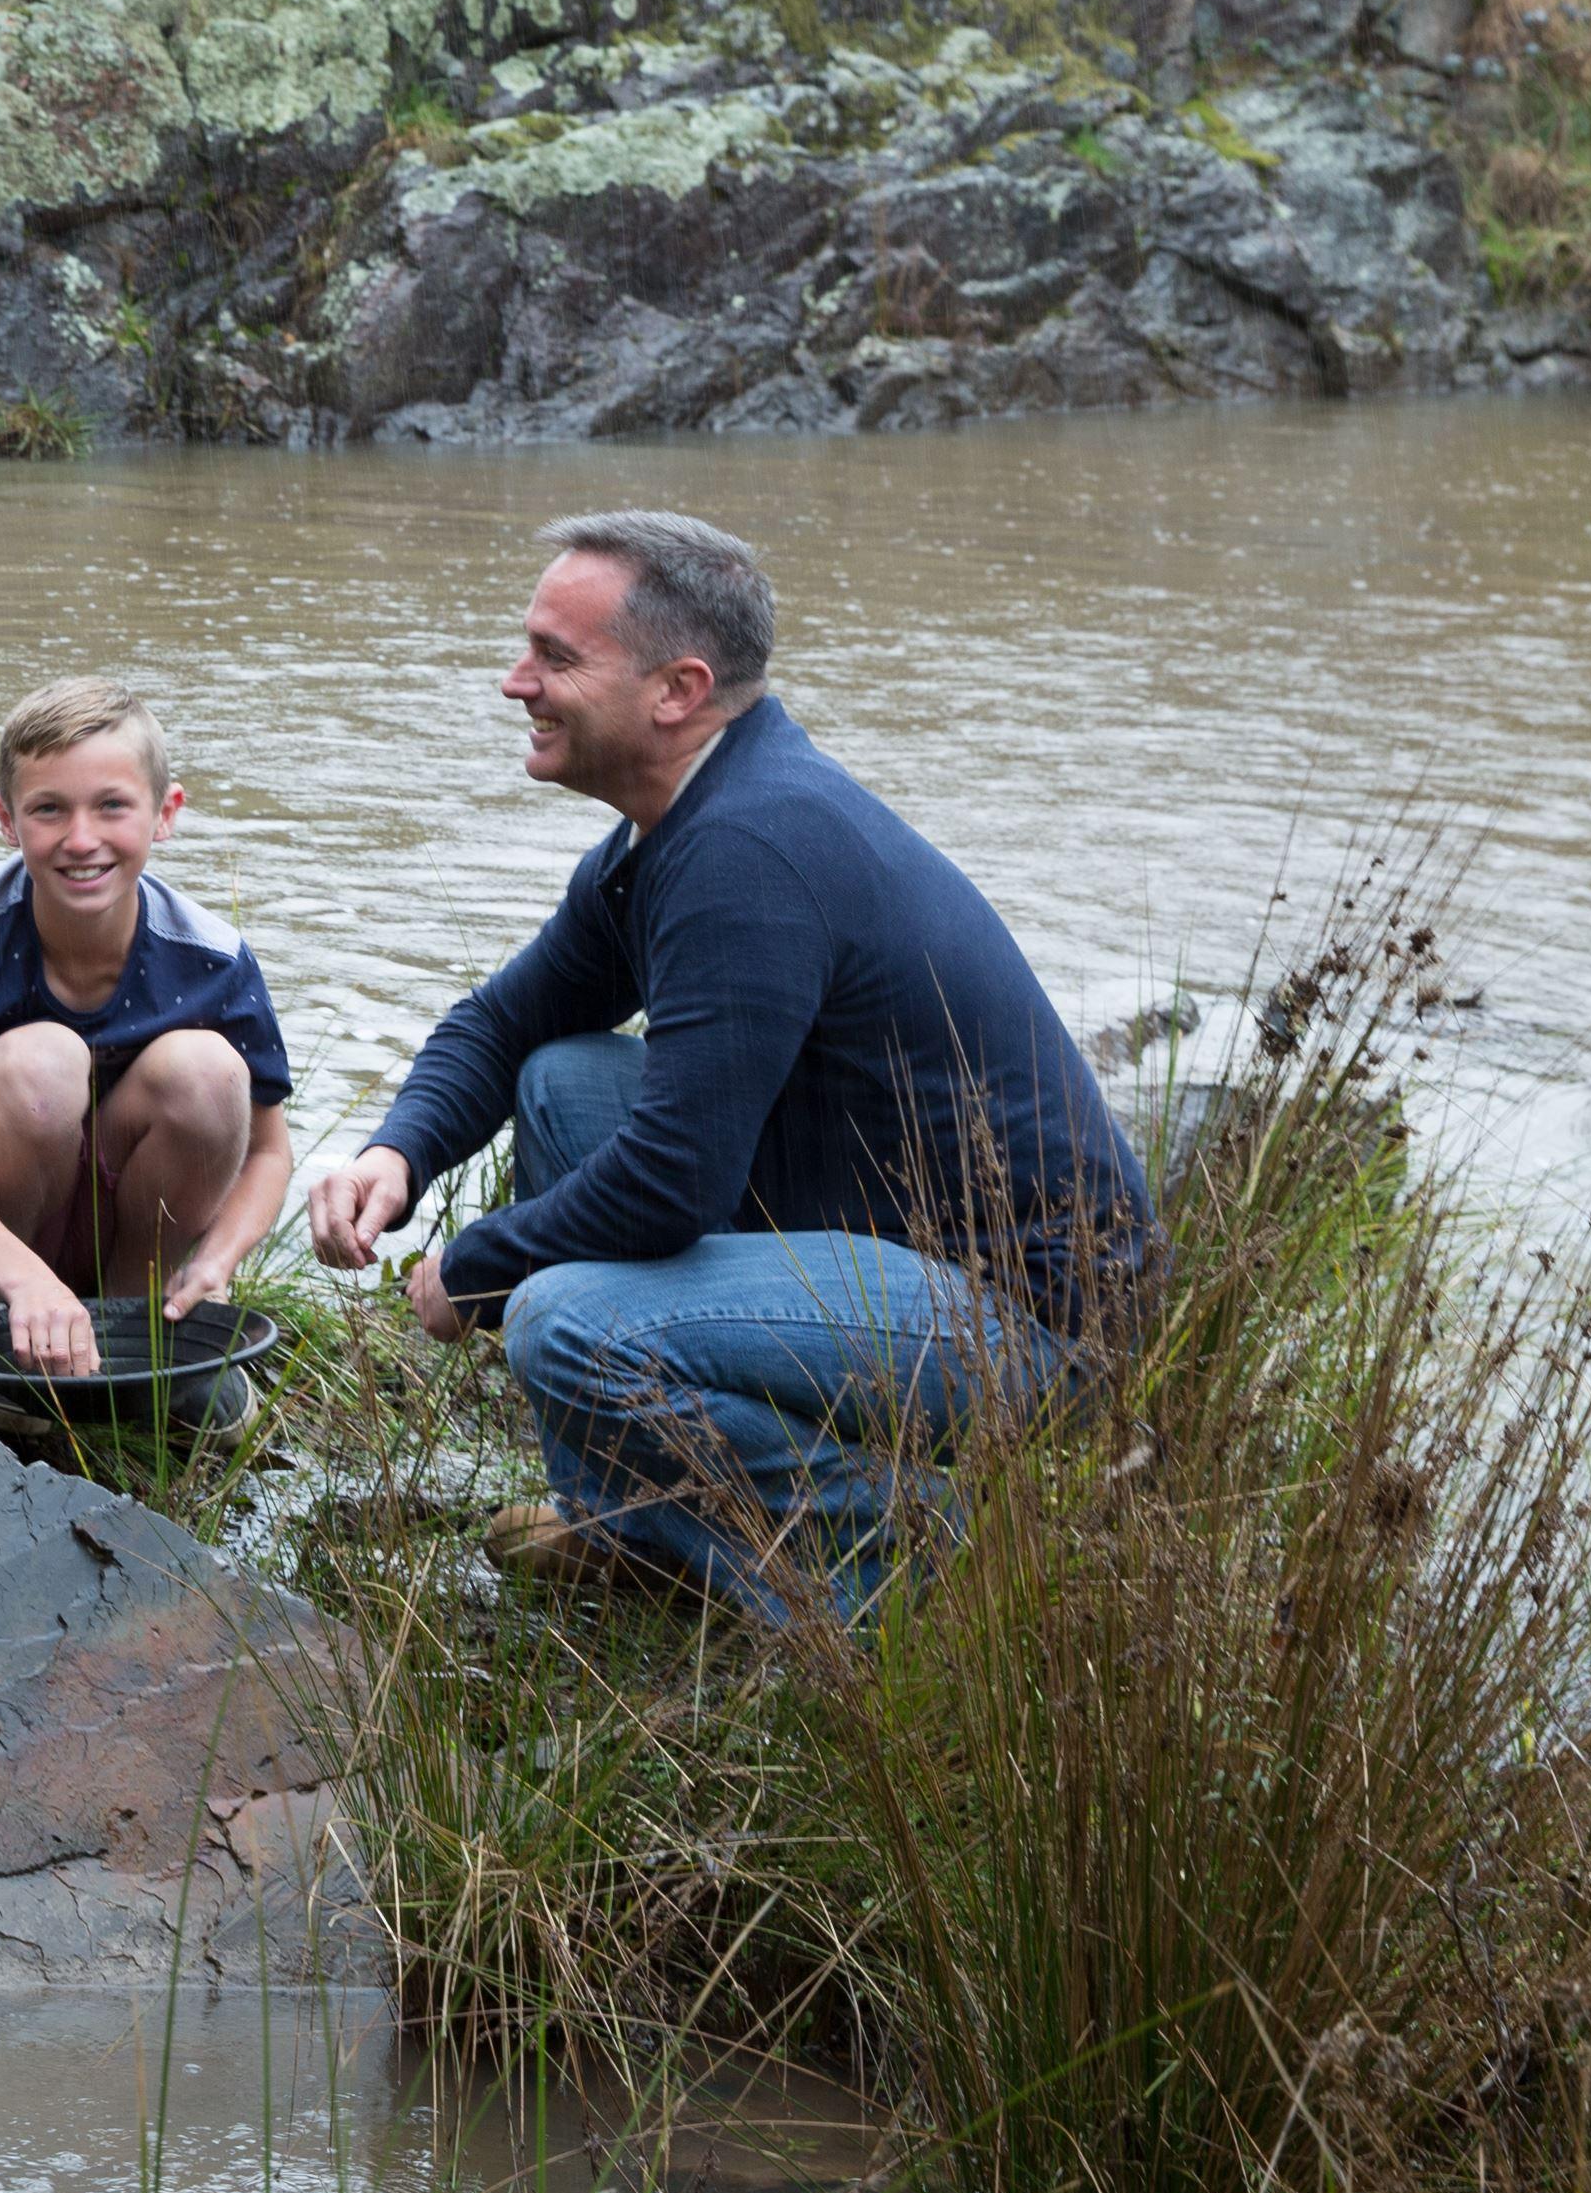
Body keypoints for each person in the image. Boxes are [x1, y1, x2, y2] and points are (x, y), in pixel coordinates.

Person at [304, 510, 1152, 1620]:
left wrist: (473, 1266)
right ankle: (642, 1521)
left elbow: (673, 1183)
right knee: (563, 1076)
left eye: (556, 657)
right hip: (875, 1245)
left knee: (563, 1319)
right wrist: (397, 1153)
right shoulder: (683, 822)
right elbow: (505, 1021)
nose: (517, 682)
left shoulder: (746, 852)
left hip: (1023, 1326)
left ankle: (913, 1564)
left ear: (677, 689)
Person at [0, 677, 300, 1385]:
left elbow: (267, 1155)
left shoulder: (213, 956)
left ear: (165, 813)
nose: (81, 840)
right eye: (48, 810)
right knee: (45, 1065)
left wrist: (214, 1264)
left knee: (210, 1072)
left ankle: (138, 1322)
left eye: (112, 807)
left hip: (110, 1224)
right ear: (6, 821)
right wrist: (20, 1278)